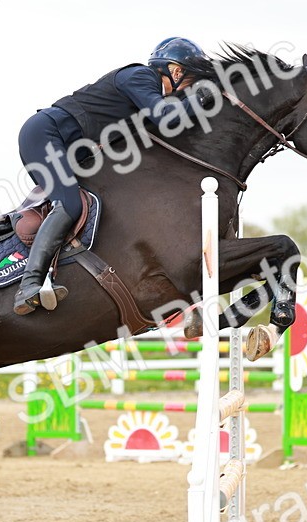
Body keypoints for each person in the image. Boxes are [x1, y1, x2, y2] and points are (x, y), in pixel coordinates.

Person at [13, 37, 216, 315]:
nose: (188, 91)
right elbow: (167, 117)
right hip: (45, 135)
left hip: (68, 148)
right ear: (176, 71)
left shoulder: (147, 96)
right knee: (70, 205)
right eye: (191, 83)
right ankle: (29, 285)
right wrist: (200, 100)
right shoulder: (140, 76)